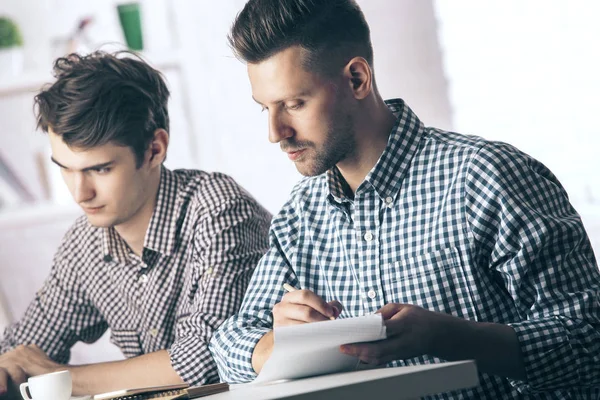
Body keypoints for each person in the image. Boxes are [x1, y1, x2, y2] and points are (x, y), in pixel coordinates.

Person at [209, 0, 600, 398]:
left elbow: (589, 343)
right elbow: (228, 343)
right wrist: (274, 345)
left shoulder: (487, 176)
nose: (276, 133)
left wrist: (451, 337)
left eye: (294, 104)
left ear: (358, 78)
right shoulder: (299, 215)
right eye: (266, 109)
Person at [0, 51, 271, 398]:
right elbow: (24, 350)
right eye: (65, 168)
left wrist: (61, 378)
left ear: (155, 149)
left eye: (100, 169)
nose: (80, 193)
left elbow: (203, 358)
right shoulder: (84, 244)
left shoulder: (219, 211)